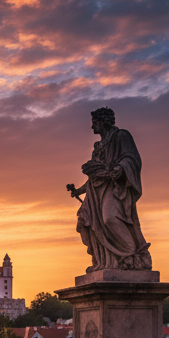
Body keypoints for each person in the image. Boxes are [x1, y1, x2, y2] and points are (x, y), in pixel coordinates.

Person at [69, 107, 151, 272]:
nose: (92, 127)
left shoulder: (121, 136)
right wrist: (79, 191)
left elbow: (132, 158)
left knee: (110, 218)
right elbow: (95, 176)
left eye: (94, 123)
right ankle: (107, 262)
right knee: (87, 222)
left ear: (103, 121)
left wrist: (121, 168)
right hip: (96, 191)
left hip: (115, 187)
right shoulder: (98, 146)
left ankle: (131, 255)